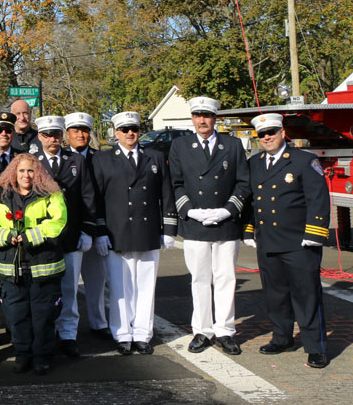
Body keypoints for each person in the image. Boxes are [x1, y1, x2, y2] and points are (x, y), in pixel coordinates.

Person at [244, 113, 330, 369]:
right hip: (268, 241)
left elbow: (318, 199)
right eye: (262, 134)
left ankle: (316, 348)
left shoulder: (305, 160)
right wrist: (249, 230)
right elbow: (252, 200)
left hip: (298, 243)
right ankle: (282, 338)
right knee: (275, 295)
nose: (267, 137)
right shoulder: (255, 163)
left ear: (283, 133)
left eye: (272, 132)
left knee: (307, 296)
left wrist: (314, 235)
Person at [169, 96, 250, 356]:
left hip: (225, 224)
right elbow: (176, 182)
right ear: (192, 118)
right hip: (195, 224)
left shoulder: (233, 144)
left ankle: (225, 331)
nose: (202, 120)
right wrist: (190, 209)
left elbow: (243, 182)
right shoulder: (180, 145)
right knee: (200, 280)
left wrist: (227, 210)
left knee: (226, 278)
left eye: (207, 115)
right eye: (197, 115)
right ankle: (202, 330)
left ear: (215, 118)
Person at [92, 112, 177, 355]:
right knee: (119, 288)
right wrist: (99, 231)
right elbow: (96, 198)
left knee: (145, 287)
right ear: (115, 132)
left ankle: (142, 333)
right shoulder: (103, 159)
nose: (131, 133)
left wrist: (169, 228)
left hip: (147, 230)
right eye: (125, 129)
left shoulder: (155, 157)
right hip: (116, 232)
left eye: (135, 129)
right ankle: (122, 334)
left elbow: (166, 193)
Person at [0, 154, 67, 374]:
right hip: (12, 268)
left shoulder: (51, 194)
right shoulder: (1, 195)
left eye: (30, 171)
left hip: (43, 267)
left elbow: (59, 222)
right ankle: (22, 354)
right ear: (13, 173)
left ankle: (42, 356)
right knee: (17, 315)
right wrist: (6, 235)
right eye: (21, 171)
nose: (26, 175)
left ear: (37, 172)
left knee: (43, 316)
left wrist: (31, 236)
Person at [32, 115, 94, 358]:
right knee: (45, 289)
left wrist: (88, 230)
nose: (52, 139)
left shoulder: (76, 160)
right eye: (47, 135)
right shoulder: (32, 162)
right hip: (43, 238)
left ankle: (68, 334)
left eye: (57, 134)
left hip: (71, 236)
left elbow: (87, 197)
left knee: (69, 289)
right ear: (40, 137)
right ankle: (47, 332)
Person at [64, 111, 109, 339]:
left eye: (84, 131)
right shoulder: (62, 158)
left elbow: (102, 196)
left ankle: (98, 323)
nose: (80, 135)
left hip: (96, 228)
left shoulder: (100, 158)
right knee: (69, 286)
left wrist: (99, 230)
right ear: (67, 134)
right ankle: (67, 330)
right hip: (72, 231)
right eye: (75, 131)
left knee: (96, 281)